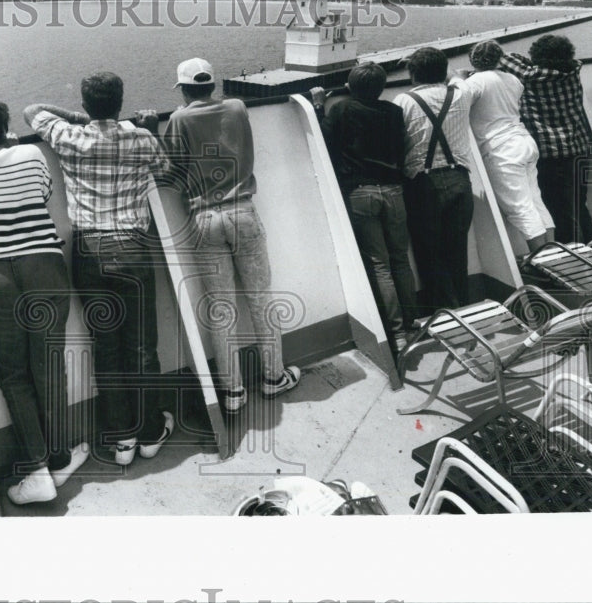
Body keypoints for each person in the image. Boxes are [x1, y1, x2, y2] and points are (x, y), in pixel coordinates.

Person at [23, 73, 174, 466]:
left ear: (86, 104)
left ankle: (121, 439)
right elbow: (165, 169)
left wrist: (77, 117)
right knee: (141, 346)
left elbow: (31, 111)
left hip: (90, 251)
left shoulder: (70, 137)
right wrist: (148, 127)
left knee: (105, 348)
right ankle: (151, 431)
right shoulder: (140, 138)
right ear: (121, 102)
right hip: (133, 249)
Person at [0, 97, 88, 505]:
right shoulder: (30, 153)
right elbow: (43, 193)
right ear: (4, 127)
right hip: (43, 264)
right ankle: (61, 457)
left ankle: (38, 470)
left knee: (13, 374)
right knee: (49, 366)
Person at [163, 58, 301, 413]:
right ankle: (273, 379)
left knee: (221, 310)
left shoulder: (179, 119)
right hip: (243, 212)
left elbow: (173, 171)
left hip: (203, 217)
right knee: (261, 299)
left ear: (185, 90)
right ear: (211, 84)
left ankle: (233, 393)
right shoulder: (238, 107)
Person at [311, 61, 414, 350]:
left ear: (348, 87)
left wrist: (319, 106)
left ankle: (396, 334)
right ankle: (411, 320)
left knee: (380, 264)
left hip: (361, 192)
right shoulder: (394, 111)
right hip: (394, 191)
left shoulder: (342, 109)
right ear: (382, 87)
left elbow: (324, 140)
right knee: (400, 259)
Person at [393, 47, 478, 314]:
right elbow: (456, 75)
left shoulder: (403, 101)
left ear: (413, 73)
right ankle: (462, 309)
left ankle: (440, 313)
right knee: (457, 249)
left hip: (422, 183)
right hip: (459, 179)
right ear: (442, 71)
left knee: (429, 252)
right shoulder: (462, 92)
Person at [453, 40, 554, 252]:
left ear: (473, 60)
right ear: (500, 58)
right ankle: (554, 254)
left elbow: (457, 99)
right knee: (535, 201)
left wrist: (458, 78)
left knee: (519, 208)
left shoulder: (475, 82)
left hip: (502, 149)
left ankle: (543, 260)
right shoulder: (513, 80)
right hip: (523, 140)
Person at [498, 34, 592, 244]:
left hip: (550, 156)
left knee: (556, 210)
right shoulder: (573, 71)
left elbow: (502, 57)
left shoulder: (532, 76)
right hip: (578, 151)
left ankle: (572, 261)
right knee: (579, 207)